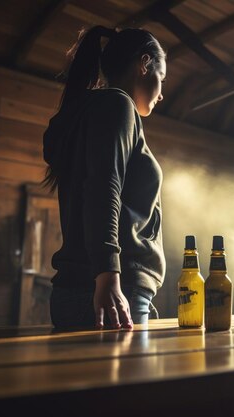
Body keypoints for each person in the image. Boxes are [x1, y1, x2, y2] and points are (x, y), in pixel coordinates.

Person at [42, 26, 167, 330]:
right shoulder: (117, 104)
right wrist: (108, 275)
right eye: (161, 79)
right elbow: (103, 188)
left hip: (89, 286)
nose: (161, 93)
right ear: (144, 63)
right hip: (108, 289)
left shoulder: (91, 112)